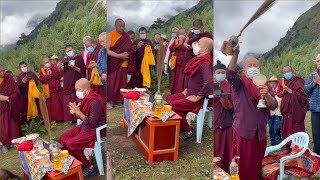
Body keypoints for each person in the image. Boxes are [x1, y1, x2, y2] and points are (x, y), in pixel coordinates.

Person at [226, 46, 277, 179]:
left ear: (260, 69)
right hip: (243, 129)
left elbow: (273, 105)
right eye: (250, 65)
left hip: (259, 132)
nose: (253, 67)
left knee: (257, 162)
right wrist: (236, 54)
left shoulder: (265, 85)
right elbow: (230, 74)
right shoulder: (240, 83)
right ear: (244, 69)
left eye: (255, 65)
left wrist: (267, 95)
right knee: (242, 163)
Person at [166, 37, 213, 141]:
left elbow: (209, 83)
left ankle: (188, 132)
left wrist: (197, 97)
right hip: (189, 92)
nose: (195, 45)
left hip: (197, 98)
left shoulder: (205, 63)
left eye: (198, 44)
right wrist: (187, 89)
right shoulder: (198, 60)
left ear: (205, 49)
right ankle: (179, 126)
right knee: (168, 100)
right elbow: (197, 80)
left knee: (173, 106)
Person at [59, 78, 106, 177]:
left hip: (94, 130)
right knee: (63, 138)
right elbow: (83, 117)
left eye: (78, 89)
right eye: (76, 89)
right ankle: (77, 161)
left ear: (87, 90)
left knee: (71, 144)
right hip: (85, 126)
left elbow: (92, 123)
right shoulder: (85, 98)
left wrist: (78, 113)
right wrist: (75, 111)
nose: (77, 92)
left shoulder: (94, 102)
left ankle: (89, 167)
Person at [177, 19, 212, 93]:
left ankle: (192, 92)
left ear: (202, 28)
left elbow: (208, 47)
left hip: (198, 58)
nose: (195, 30)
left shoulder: (207, 36)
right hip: (188, 58)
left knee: (194, 78)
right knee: (185, 78)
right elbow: (185, 43)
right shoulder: (191, 34)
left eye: (197, 29)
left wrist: (195, 47)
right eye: (194, 29)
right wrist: (186, 45)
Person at [106, 18, 135, 105]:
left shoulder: (126, 36)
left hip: (123, 62)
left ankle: (121, 99)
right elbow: (107, 50)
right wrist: (119, 56)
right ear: (115, 26)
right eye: (120, 26)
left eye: (123, 26)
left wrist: (127, 54)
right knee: (112, 82)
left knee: (122, 82)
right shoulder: (110, 35)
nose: (122, 28)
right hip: (113, 63)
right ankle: (113, 99)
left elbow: (131, 48)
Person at [277, 66, 308, 141]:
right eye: (284, 72)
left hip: (296, 110)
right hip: (286, 109)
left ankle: (298, 144)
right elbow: (278, 94)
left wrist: (291, 91)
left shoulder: (298, 81)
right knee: (286, 128)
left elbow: (303, 96)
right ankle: (288, 144)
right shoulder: (282, 81)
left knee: (296, 128)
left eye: (288, 72)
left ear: (292, 71)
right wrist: (283, 92)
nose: (286, 74)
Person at [213, 60, 234, 174]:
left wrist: (223, 98)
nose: (220, 74)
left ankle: (227, 170)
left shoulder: (229, 86)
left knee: (227, 149)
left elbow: (231, 106)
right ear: (214, 74)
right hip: (216, 120)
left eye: (222, 72)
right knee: (217, 148)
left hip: (227, 122)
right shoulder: (214, 85)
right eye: (218, 72)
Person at [58, 45, 86, 122]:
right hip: (67, 83)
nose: (69, 52)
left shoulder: (79, 58)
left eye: (70, 50)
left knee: (76, 99)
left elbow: (82, 71)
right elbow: (61, 72)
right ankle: (71, 118)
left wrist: (74, 67)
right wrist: (61, 68)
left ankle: (78, 117)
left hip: (76, 82)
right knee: (69, 100)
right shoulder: (65, 60)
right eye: (67, 51)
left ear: (73, 49)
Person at [0, 65, 22, 153]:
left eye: (3, 71)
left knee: (13, 124)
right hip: (2, 106)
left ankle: (15, 141)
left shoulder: (9, 77)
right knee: (3, 126)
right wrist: (6, 98)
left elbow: (16, 90)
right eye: (0, 71)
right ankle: (5, 144)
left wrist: (12, 98)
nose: (2, 73)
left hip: (11, 105)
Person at [38, 57, 64, 121]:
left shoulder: (54, 67)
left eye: (48, 62)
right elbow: (41, 80)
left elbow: (59, 75)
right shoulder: (42, 70)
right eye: (45, 63)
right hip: (49, 90)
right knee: (51, 106)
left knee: (59, 104)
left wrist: (52, 74)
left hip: (56, 89)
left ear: (50, 62)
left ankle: (61, 117)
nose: (47, 64)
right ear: (43, 63)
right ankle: (53, 118)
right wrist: (47, 75)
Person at [305, 54, 320, 155]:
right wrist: (313, 83)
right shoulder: (312, 75)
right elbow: (306, 90)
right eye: (318, 61)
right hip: (315, 109)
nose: (319, 63)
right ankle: (318, 155)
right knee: (316, 134)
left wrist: (319, 81)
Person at [169, 28, 187, 94]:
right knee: (175, 80)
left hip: (183, 65)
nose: (181, 35)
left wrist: (182, 44)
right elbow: (171, 48)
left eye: (183, 34)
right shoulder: (176, 41)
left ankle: (180, 93)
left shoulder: (187, 41)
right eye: (180, 34)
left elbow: (187, 49)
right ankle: (173, 93)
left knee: (181, 81)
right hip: (176, 65)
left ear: (185, 34)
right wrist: (178, 45)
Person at [267, 75, 282, 146]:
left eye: (273, 83)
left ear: (276, 83)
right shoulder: (268, 92)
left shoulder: (279, 91)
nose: (272, 84)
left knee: (277, 128)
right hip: (270, 113)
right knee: (271, 128)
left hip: (278, 113)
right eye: (271, 83)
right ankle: (273, 143)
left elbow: (280, 101)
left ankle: (278, 143)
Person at [97, 32, 107, 99]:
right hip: (103, 76)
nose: (102, 44)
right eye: (100, 42)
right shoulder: (101, 51)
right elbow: (99, 63)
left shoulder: (112, 49)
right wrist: (101, 73)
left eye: (103, 41)